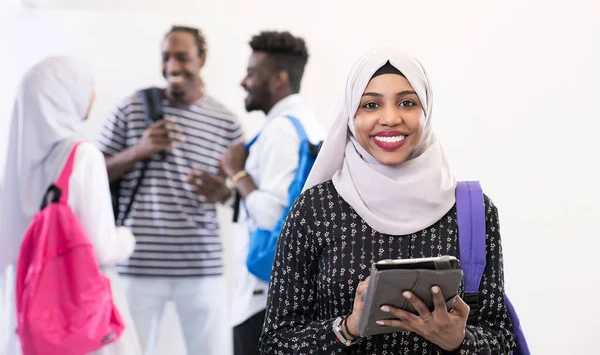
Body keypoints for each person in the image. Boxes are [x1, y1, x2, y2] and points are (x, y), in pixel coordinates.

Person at [259, 48, 516, 354]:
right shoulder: (315, 210)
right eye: (371, 105)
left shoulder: (472, 211)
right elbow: (275, 342)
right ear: (351, 115)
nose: (391, 118)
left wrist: (459, 341)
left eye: (407, 102)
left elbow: (501, 339)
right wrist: (348, 327)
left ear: (427, 110)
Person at [97, 26, 243, 355]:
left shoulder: (227, 122)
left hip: (202, 266)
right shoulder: (133, 108)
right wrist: (139, 150)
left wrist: (220, 192)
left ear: (202, 58)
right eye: (166, 57)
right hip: (137, 263)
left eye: (182, 57)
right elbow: (93, 173)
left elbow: (237, 196)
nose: (172, 68)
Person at [193, 31, 324, 355]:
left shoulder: (280, 131)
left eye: (252, 73)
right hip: (289, 294)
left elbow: (274, 214)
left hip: (261, 300)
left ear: (279, 79)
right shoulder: (306, 123)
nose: (243, 82)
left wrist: (237, 172)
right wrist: (229, 193)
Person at [0, 56, 141, 355]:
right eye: (87, 86)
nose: (92, 95)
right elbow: (101, 248)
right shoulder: (82, 155)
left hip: (32, 314)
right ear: (64, 94)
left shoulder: (17, 162)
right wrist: (126, 238)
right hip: (81, 313)